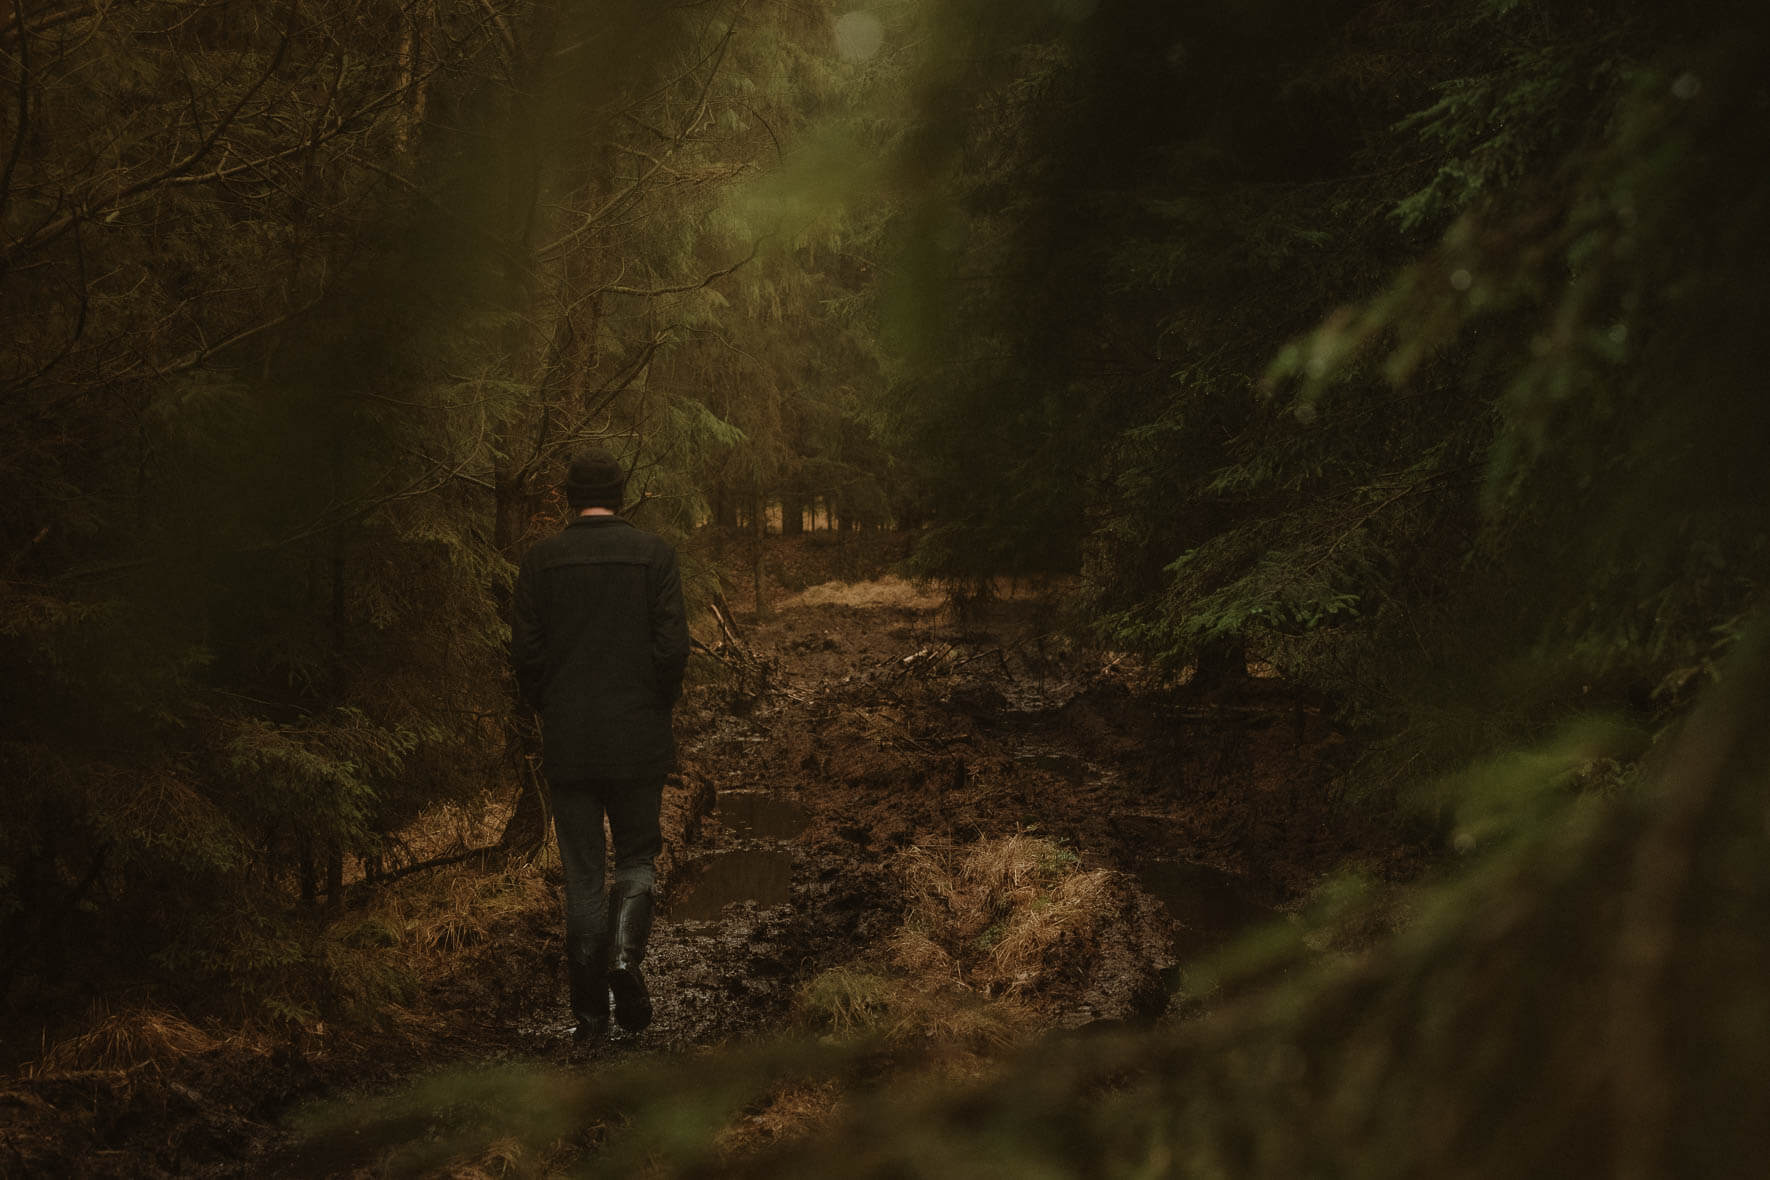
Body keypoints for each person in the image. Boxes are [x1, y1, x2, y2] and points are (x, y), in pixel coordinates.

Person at [510, 448, 689, 1041]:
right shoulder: (655, 555)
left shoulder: (540, 562)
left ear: (566, 496)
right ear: (623, 493)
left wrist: (551, 708)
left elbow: (526, 657)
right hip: (638, 737)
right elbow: (672, 651)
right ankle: (623, 959)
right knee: (637, 858)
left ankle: (588, 1021)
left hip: (570, 740)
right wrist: (655, 706)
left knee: (583, 876)